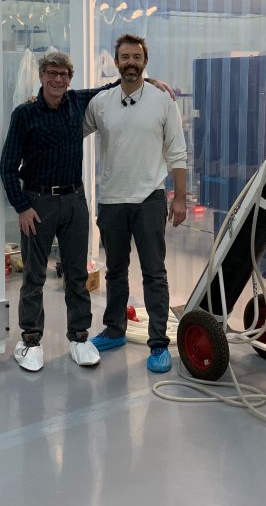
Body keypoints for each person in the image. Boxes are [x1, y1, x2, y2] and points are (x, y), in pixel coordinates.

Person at [0, 51, 109, 372]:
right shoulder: (24, 114)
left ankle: (78, 337)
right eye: (51, 73)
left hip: (74, 201)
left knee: (76, 273)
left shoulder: (76, 102)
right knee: (33, 275)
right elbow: (8, 167)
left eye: (63, 74)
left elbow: (113, 89)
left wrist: (147, 82)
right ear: (41, 75)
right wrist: (22, 207)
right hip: (38, 204)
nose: (57, 79)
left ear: (69, 78)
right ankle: (30, 341)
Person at [84, 34, 187, 373]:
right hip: (113, 200)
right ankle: (114, 330)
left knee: (154, 274)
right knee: (115, 271)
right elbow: (71, 123)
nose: (130, 62)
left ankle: (159, 343)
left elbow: (177, 152)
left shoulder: (162, 101)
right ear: (116, 62)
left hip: (149, 199)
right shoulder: (102, 102)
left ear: (145, 61)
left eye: (136, 57)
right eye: (124, 57)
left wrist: (181, 198)